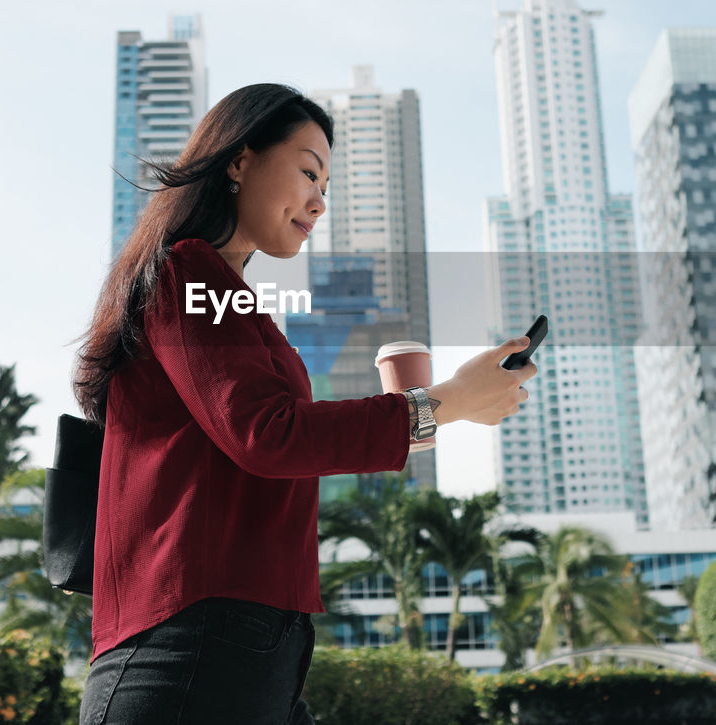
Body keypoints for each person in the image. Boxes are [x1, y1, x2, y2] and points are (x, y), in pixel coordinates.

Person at [74, 83, 537, 725]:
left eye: (327, 186)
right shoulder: (190, 272)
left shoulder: (231, 299)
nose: (320, 202)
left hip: (248, 645)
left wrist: (434, 410)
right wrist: (444, 402)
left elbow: (271, 438)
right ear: (239, 160)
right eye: (309, 172)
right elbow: (269, 435)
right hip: (191, 646)